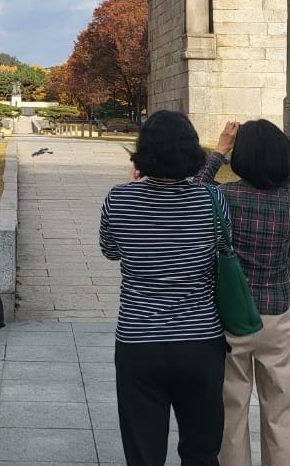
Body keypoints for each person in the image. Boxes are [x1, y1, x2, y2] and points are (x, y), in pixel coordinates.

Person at [99, 109, 227, 466]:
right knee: (202, 451)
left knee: (143, 452)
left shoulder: (119, 199)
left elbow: (110, 250)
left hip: (138, 339)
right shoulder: (213, 202)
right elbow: (220, 251)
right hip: (200, 340)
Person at [196, 119, 290, 466]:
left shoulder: (225, 198)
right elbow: (287, 184)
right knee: (281, 410)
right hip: (279, 314)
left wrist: (219, 151)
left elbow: (195, 189)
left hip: (232, 313)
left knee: (231, 409)